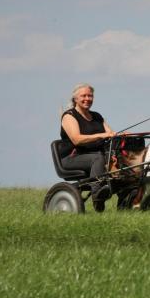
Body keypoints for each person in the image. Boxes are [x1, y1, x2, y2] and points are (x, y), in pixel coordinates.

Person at [59, 83, 116, 212]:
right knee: (98, 158)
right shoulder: (69, 116)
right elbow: (77, 139)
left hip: (96, 155)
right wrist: (102, 135)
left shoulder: (97, 116)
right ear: (75, 99)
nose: (87, 98)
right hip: (72, 157)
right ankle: (97, 194)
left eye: (90, 96)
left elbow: (110, 134)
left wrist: (118, 135)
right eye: (83, 95)